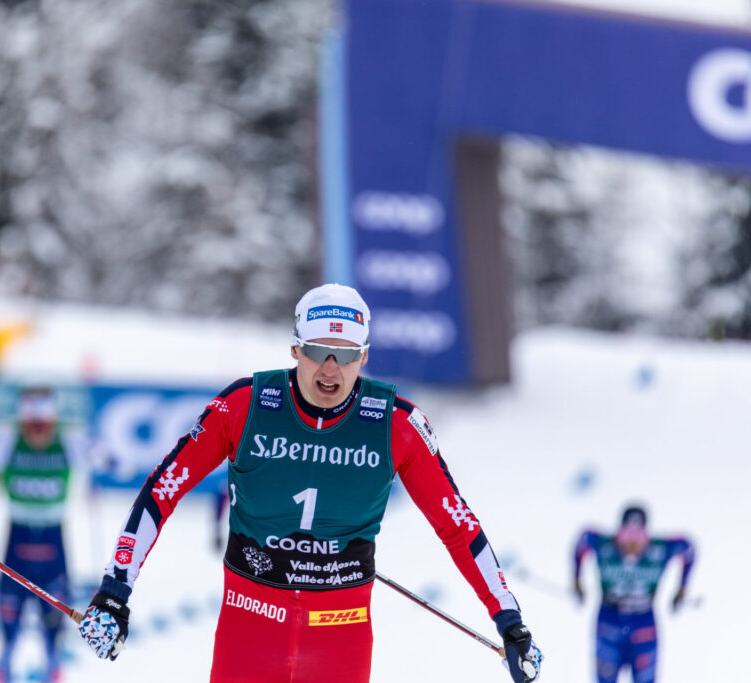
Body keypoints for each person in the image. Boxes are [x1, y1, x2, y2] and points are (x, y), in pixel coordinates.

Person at [77, 283, 543, 682]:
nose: (330, 369)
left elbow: (458, 525)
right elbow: (163, 489)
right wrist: (115, 590)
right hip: (250, 627)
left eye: (345, 356)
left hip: (339, 636)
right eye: (318, 352)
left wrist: (510, 620)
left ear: (364, 357)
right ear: (295, 349)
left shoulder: (396, 425)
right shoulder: (245, 405)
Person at [0, 387, 92, 683]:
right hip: (18, 532)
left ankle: (52, 663)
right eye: (32, 426)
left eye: (43, 426)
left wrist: (102, 461)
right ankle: (5, 662)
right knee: (10, 604)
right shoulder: (7, 438)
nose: (37, 433)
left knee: (55, 605)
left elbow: (105, 457)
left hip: (53, 534)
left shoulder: (68, 440)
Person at [573, 504, 695, 683]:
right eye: (627, 536)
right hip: (609, 619)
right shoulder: (603, 544)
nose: (632, 543)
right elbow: (582, 540)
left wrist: (682, 589)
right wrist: (576, 580)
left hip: (644, 621)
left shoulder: (660, 549)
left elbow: (688, 548)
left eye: (638, 537)